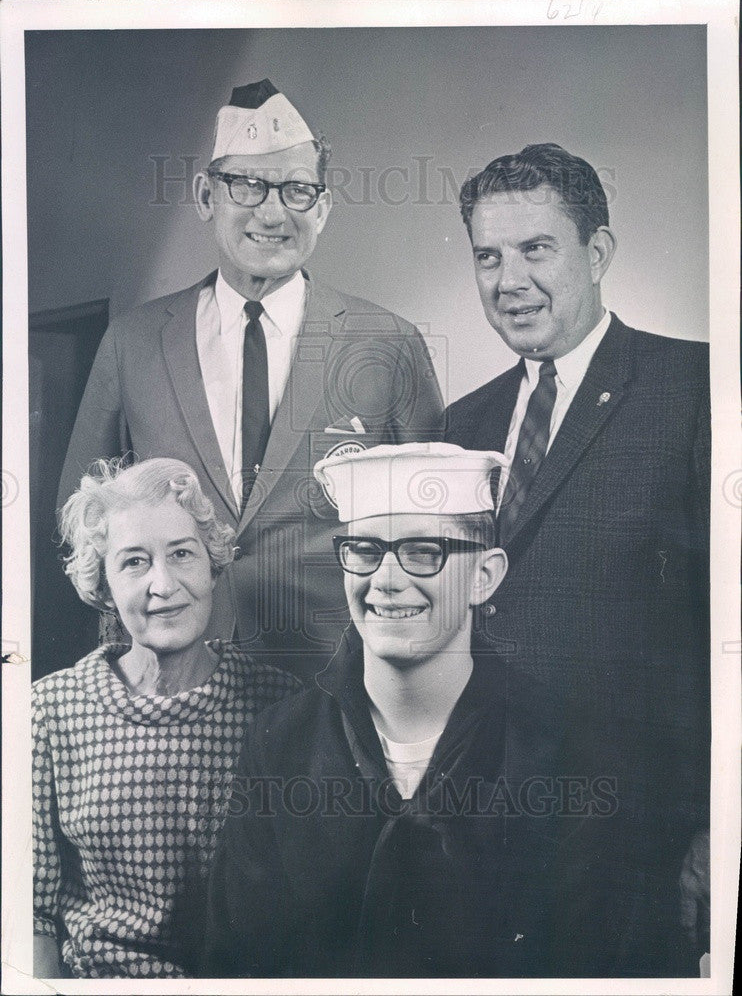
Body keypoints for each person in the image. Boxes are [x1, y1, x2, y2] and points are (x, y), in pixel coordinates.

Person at [57, 79, 443, 681]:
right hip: (176, 677)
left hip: (335, 679)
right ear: (206, 195)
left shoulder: (387, 342)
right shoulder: (134, 342)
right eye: (247, 185)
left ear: (322, 206)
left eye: (296, 189)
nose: (272, 212)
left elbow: (436, 527)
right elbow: (80, 521)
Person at [445, 143, 710, 974]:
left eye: (535, 249)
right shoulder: (462, 425)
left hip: (637, 849)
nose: (508, 280)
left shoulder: (697, 388)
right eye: (488, 256)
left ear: (597, 253)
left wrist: (718, 822)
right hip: (478, 843)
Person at [201, 443, 611, 978]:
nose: (387, 579)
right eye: (365, 550)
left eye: (422, 551)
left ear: (484, 577)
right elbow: (235, 966)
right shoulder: (280, 743)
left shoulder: (561, 748)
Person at [33, 458, 302, 979]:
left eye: (182, 554)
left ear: (213, 565)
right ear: (103, 585)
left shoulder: (278, 703)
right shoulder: (52, 710)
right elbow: (34, 914)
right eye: (134, 562)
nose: (163, 584)